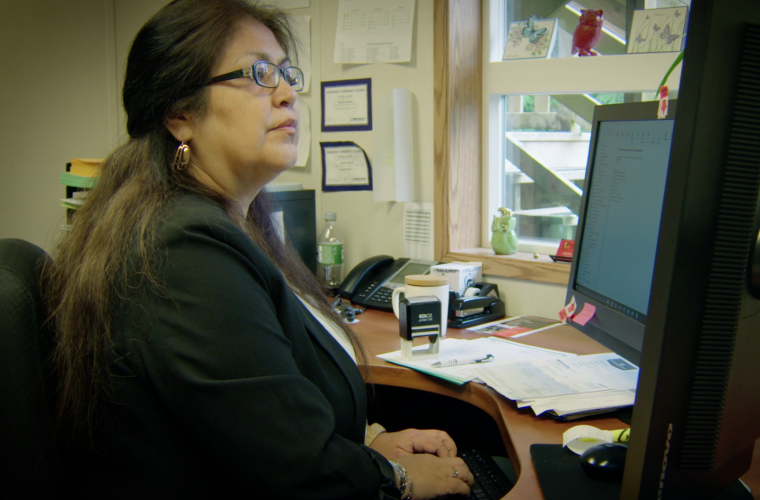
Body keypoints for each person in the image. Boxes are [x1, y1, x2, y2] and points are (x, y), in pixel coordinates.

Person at [45, 0, 474, 498]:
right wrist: (395, 480)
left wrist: (367, 446)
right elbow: (295, 473)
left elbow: (264, 421)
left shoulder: (227, 228)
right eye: (260, 73)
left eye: (287, 73)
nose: (289, 94)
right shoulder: (184, 253)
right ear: (179, 115)